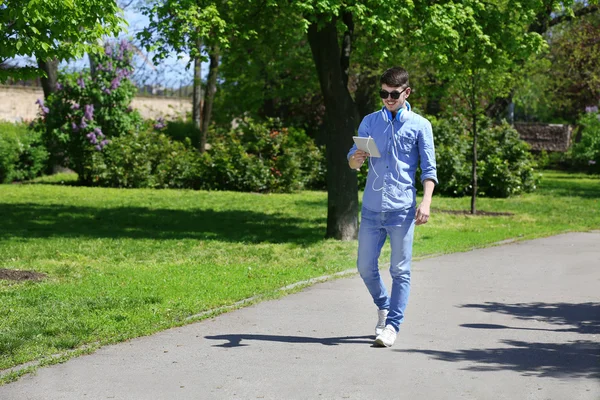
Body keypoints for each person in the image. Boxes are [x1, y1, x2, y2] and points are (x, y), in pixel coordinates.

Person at [347, 66, 437, 347]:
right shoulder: (369, 122)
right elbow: (352, 160)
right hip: (372, 208)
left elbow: (429, 169)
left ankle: (392, 325)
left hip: (402, 209)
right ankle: (383, 306)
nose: (387, 98)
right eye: (383, 93)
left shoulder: (421, 125)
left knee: (400, 270)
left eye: (393, 94)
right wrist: (357, 159)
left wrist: (426, 202)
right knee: (364, 267)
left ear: (406, 92)